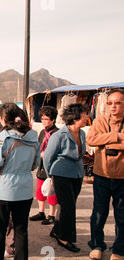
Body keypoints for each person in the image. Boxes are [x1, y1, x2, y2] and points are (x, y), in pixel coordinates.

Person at [0, 103, 40, 260]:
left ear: (2, 119)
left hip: (4, 189)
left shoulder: (2, 138)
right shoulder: (33, 137)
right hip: (25, 190)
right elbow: (35, 164)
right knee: (21, 229)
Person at [43, 103, 89, 252]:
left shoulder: (82, 133)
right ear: (75, 118)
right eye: (84, 116)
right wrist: (51, 175)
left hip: (77, 173)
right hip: (61, 174)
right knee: (68, 206)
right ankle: (64, 238)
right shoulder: (59, 135)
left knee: (68, 205)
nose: (86, 118)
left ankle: (56, 230)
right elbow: (47, 158)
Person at [86, 88, 124, 260]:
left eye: (117, 103)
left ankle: (119, 250)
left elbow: (99, 139)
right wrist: (116, 136)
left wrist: (106, 139)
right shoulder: (100, 121)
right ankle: (97, 246)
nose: (113, 106)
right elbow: (92, 140)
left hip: (122, 177)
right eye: (110, 103)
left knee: (121, 215)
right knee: (99, 213)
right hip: (102, 175)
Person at [29, 106, 59, 225]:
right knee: (40, 191)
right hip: (41, 166)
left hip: (53, 166)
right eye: (42, 119)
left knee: (51, 191)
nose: (44, 121)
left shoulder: (57, 133)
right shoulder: (42, 132)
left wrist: (45, 155)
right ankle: (41, 212)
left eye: (47, 119)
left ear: (53, 120)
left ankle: (51, 215)